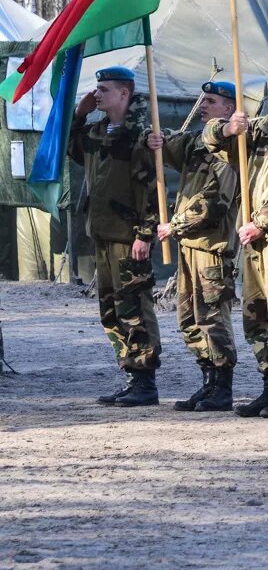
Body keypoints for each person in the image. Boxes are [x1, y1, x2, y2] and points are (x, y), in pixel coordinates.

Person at [204, 58, 268, 418]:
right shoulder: (261, 127)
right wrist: (228, 130)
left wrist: (262, 223)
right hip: (254, 239)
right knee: (256, 315)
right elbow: (212, 142)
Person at [147, 81, 240, 412]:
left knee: (213, 317)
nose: (203, 106)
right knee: (189, 319)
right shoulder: (197, 146)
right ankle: (208, 381)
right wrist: (155, 139)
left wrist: (175, 225)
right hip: (190, 248)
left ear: (228, 109)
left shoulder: (230, 152)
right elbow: (169, 145)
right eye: (202, 100)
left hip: (211, 249)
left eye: (211, 101)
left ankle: (223, 386)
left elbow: (213, 204)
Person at [70, 67, 160, 406]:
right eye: (97, 89)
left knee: (134, 307)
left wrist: (145, 234)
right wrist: (79, 114)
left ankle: (145, 380)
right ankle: (130, 374)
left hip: (129, 238)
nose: (98, 94)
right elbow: (70, 149)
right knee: (110, 310)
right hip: (103, 234)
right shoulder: (96, 132)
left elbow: (152, 189)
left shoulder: (141, 136)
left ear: (124, 93)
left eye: (104, 89)